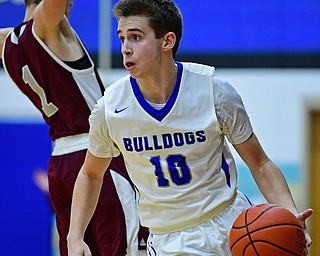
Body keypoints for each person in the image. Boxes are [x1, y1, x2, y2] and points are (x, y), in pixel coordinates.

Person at [67, 0, 313, 255]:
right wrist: (75, 236)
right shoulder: (110, 109)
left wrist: (292, 215)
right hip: (166, 240)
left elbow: (259, 163)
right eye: (122, 39)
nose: (125, 49)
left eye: (136, 37)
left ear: (167, 41)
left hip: (228, 226)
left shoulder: (214, 93)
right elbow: (91, 174)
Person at [1, 0, 148, 255]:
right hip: (97, 157)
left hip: (60, 163)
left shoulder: (6, 44)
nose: (71, 4)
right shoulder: (47, 26)